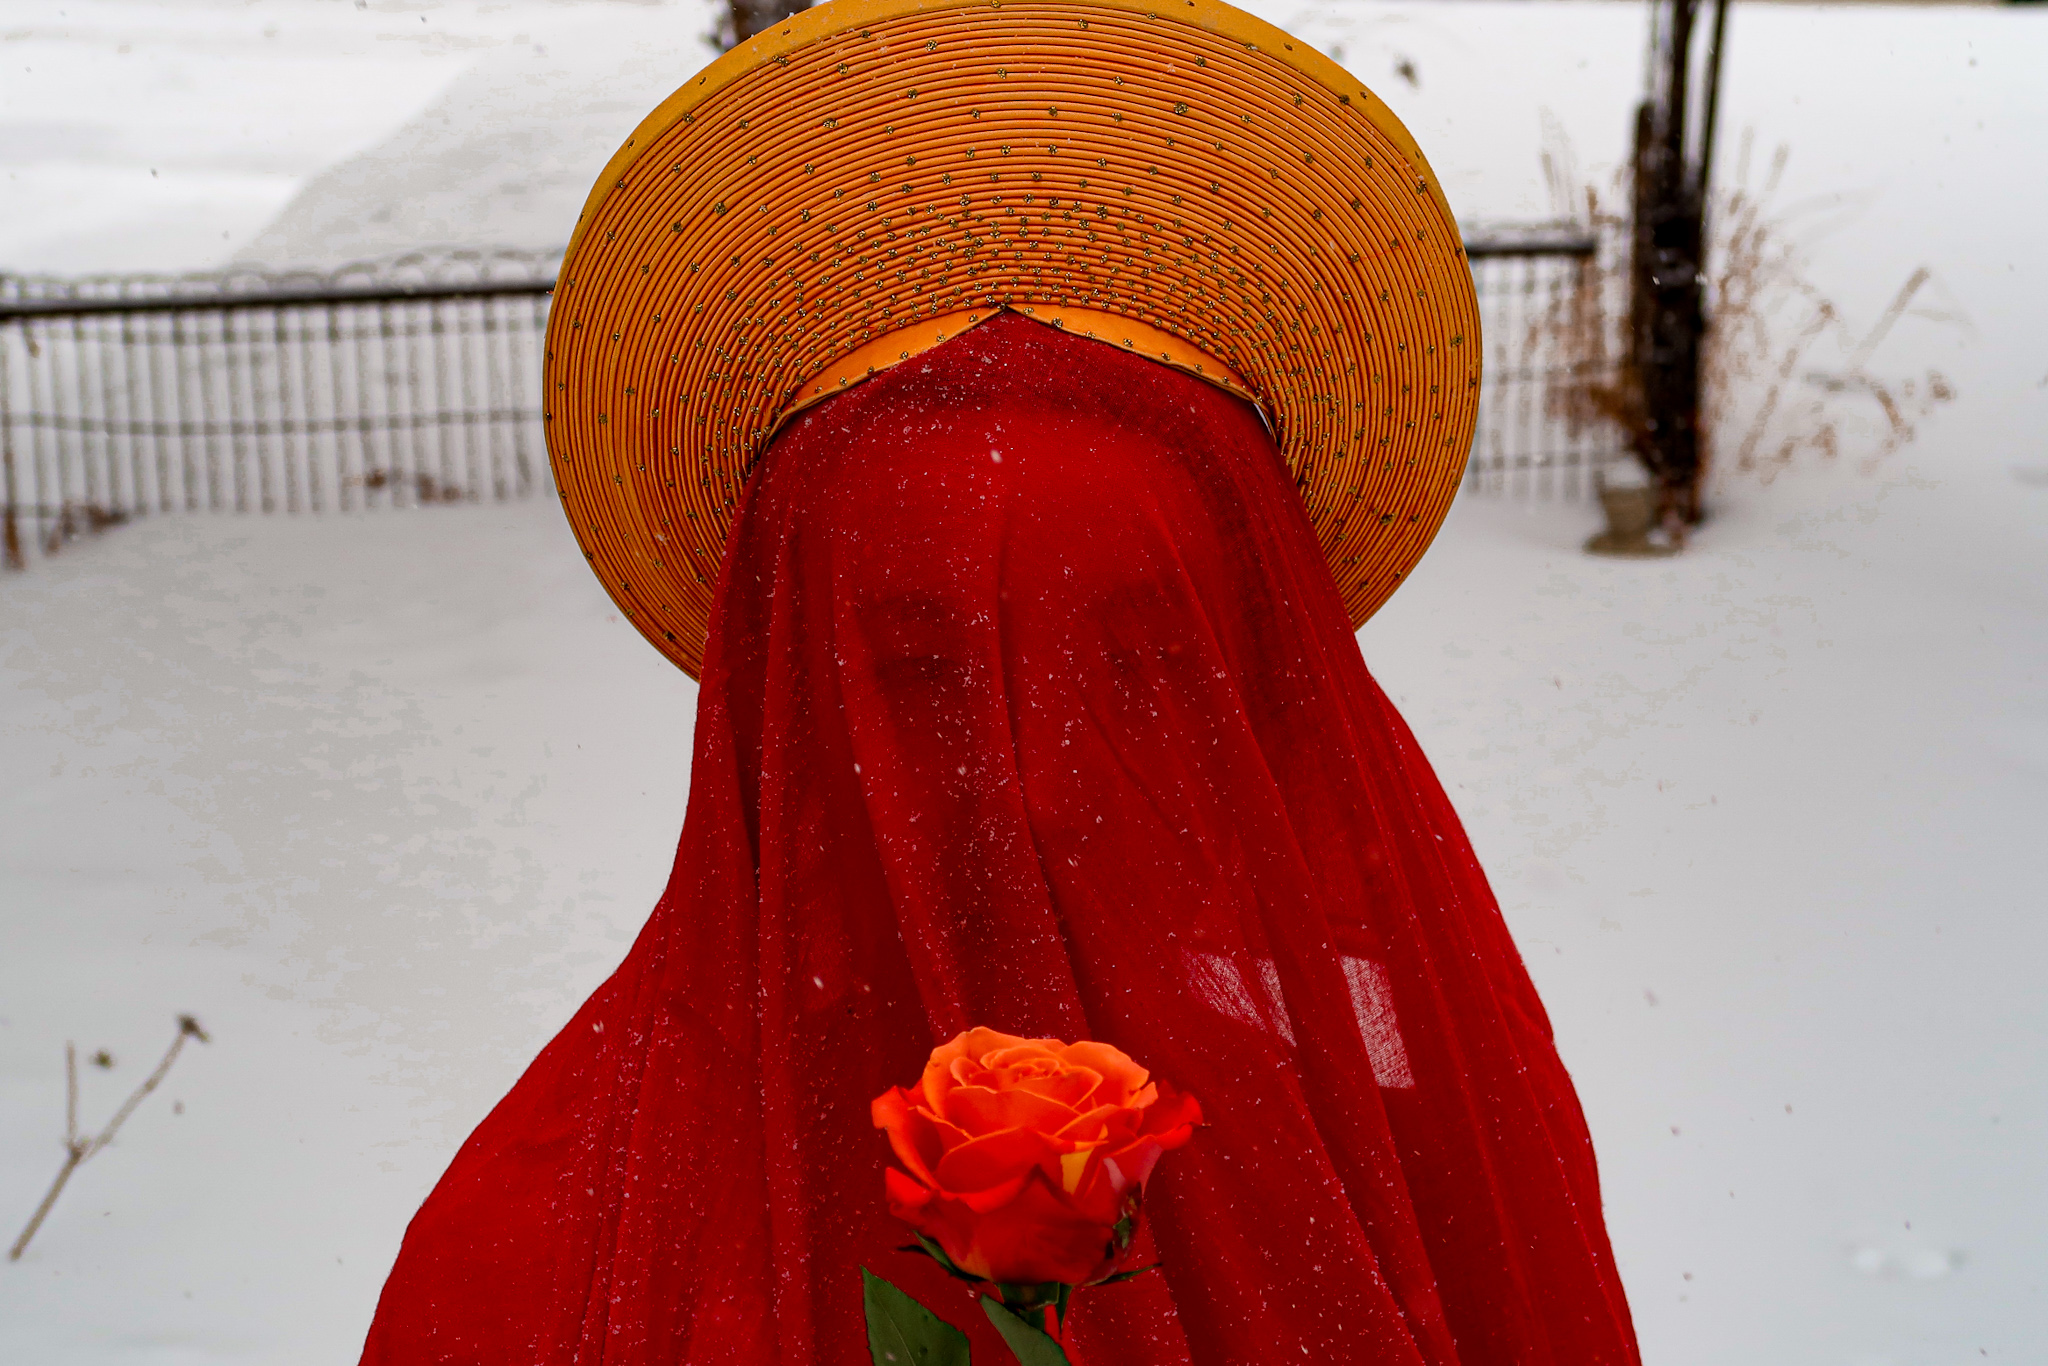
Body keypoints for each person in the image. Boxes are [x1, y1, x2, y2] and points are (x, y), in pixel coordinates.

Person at [361, 2, 1641, 1362]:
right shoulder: (554, 1241)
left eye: (1132, 667)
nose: (1029, 768)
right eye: (923, 674)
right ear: (785, 696)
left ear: (1250, 677)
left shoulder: (1399, 1107)